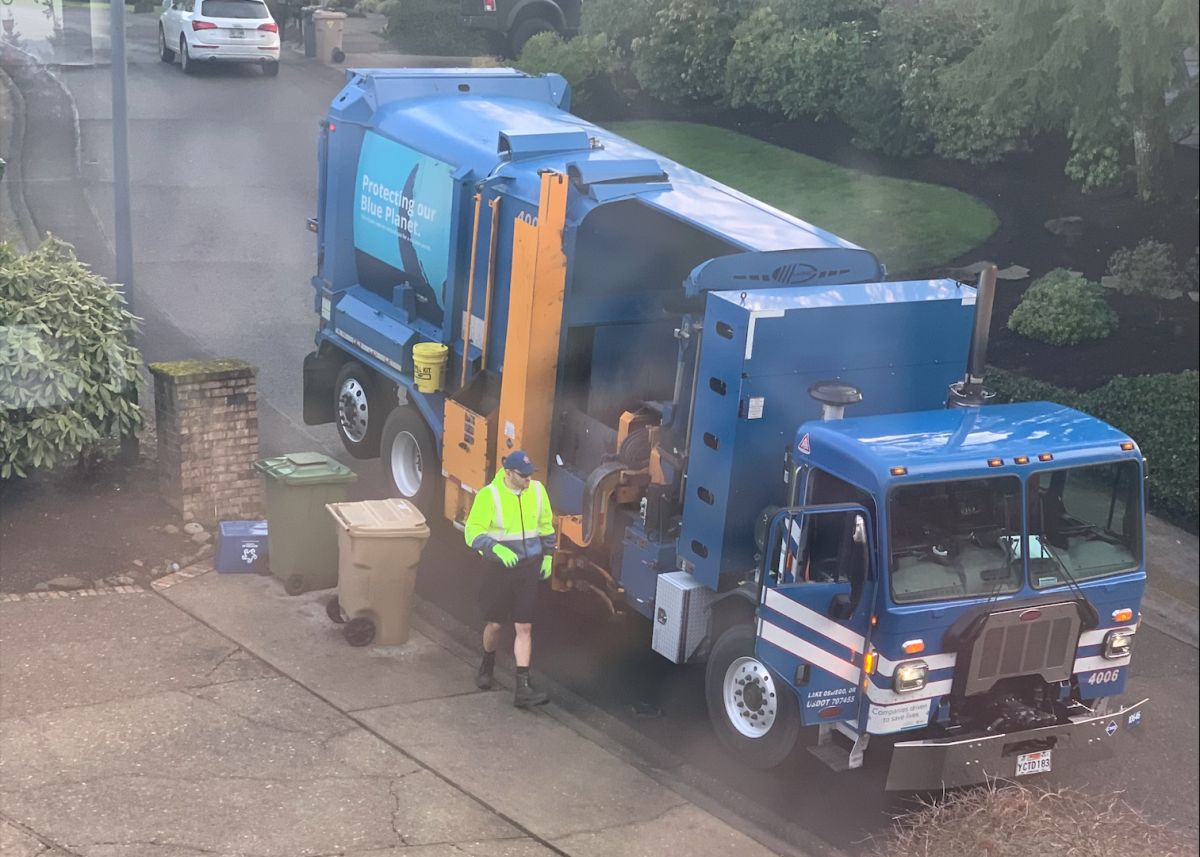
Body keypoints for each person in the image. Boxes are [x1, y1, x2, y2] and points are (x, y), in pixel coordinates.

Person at [464, 450, 555, 707]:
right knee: (494, 624)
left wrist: (548, 555)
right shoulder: (489, 496)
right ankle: (487, 663)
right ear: (508, 473)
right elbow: (472, 532)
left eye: (530, 475)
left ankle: (523, 688)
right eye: (523, 476)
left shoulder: (537, 491)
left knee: (524, 626)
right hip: (498, 569)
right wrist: (496, 549)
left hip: (528, 568)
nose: (528, 480)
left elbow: (546, 526)